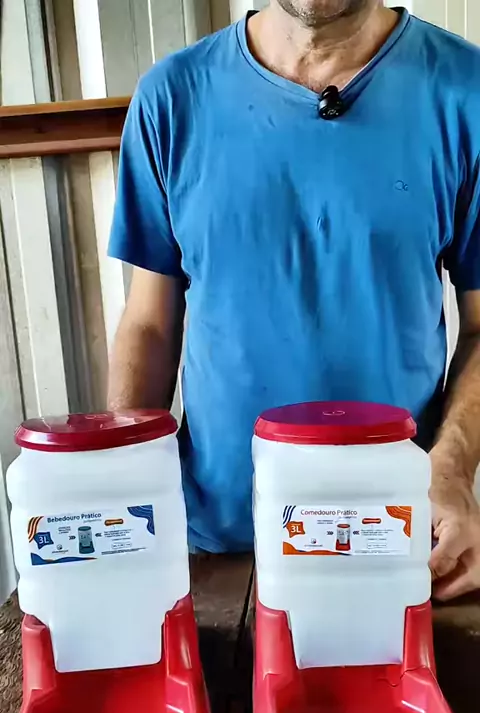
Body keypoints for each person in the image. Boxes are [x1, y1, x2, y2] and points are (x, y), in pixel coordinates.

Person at [108, 0, 480, 600]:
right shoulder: (171, 98)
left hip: (397, 541)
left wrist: (454, 468)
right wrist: (123, 488)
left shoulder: (467, 92)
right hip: (219, 550)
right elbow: (150, 323)